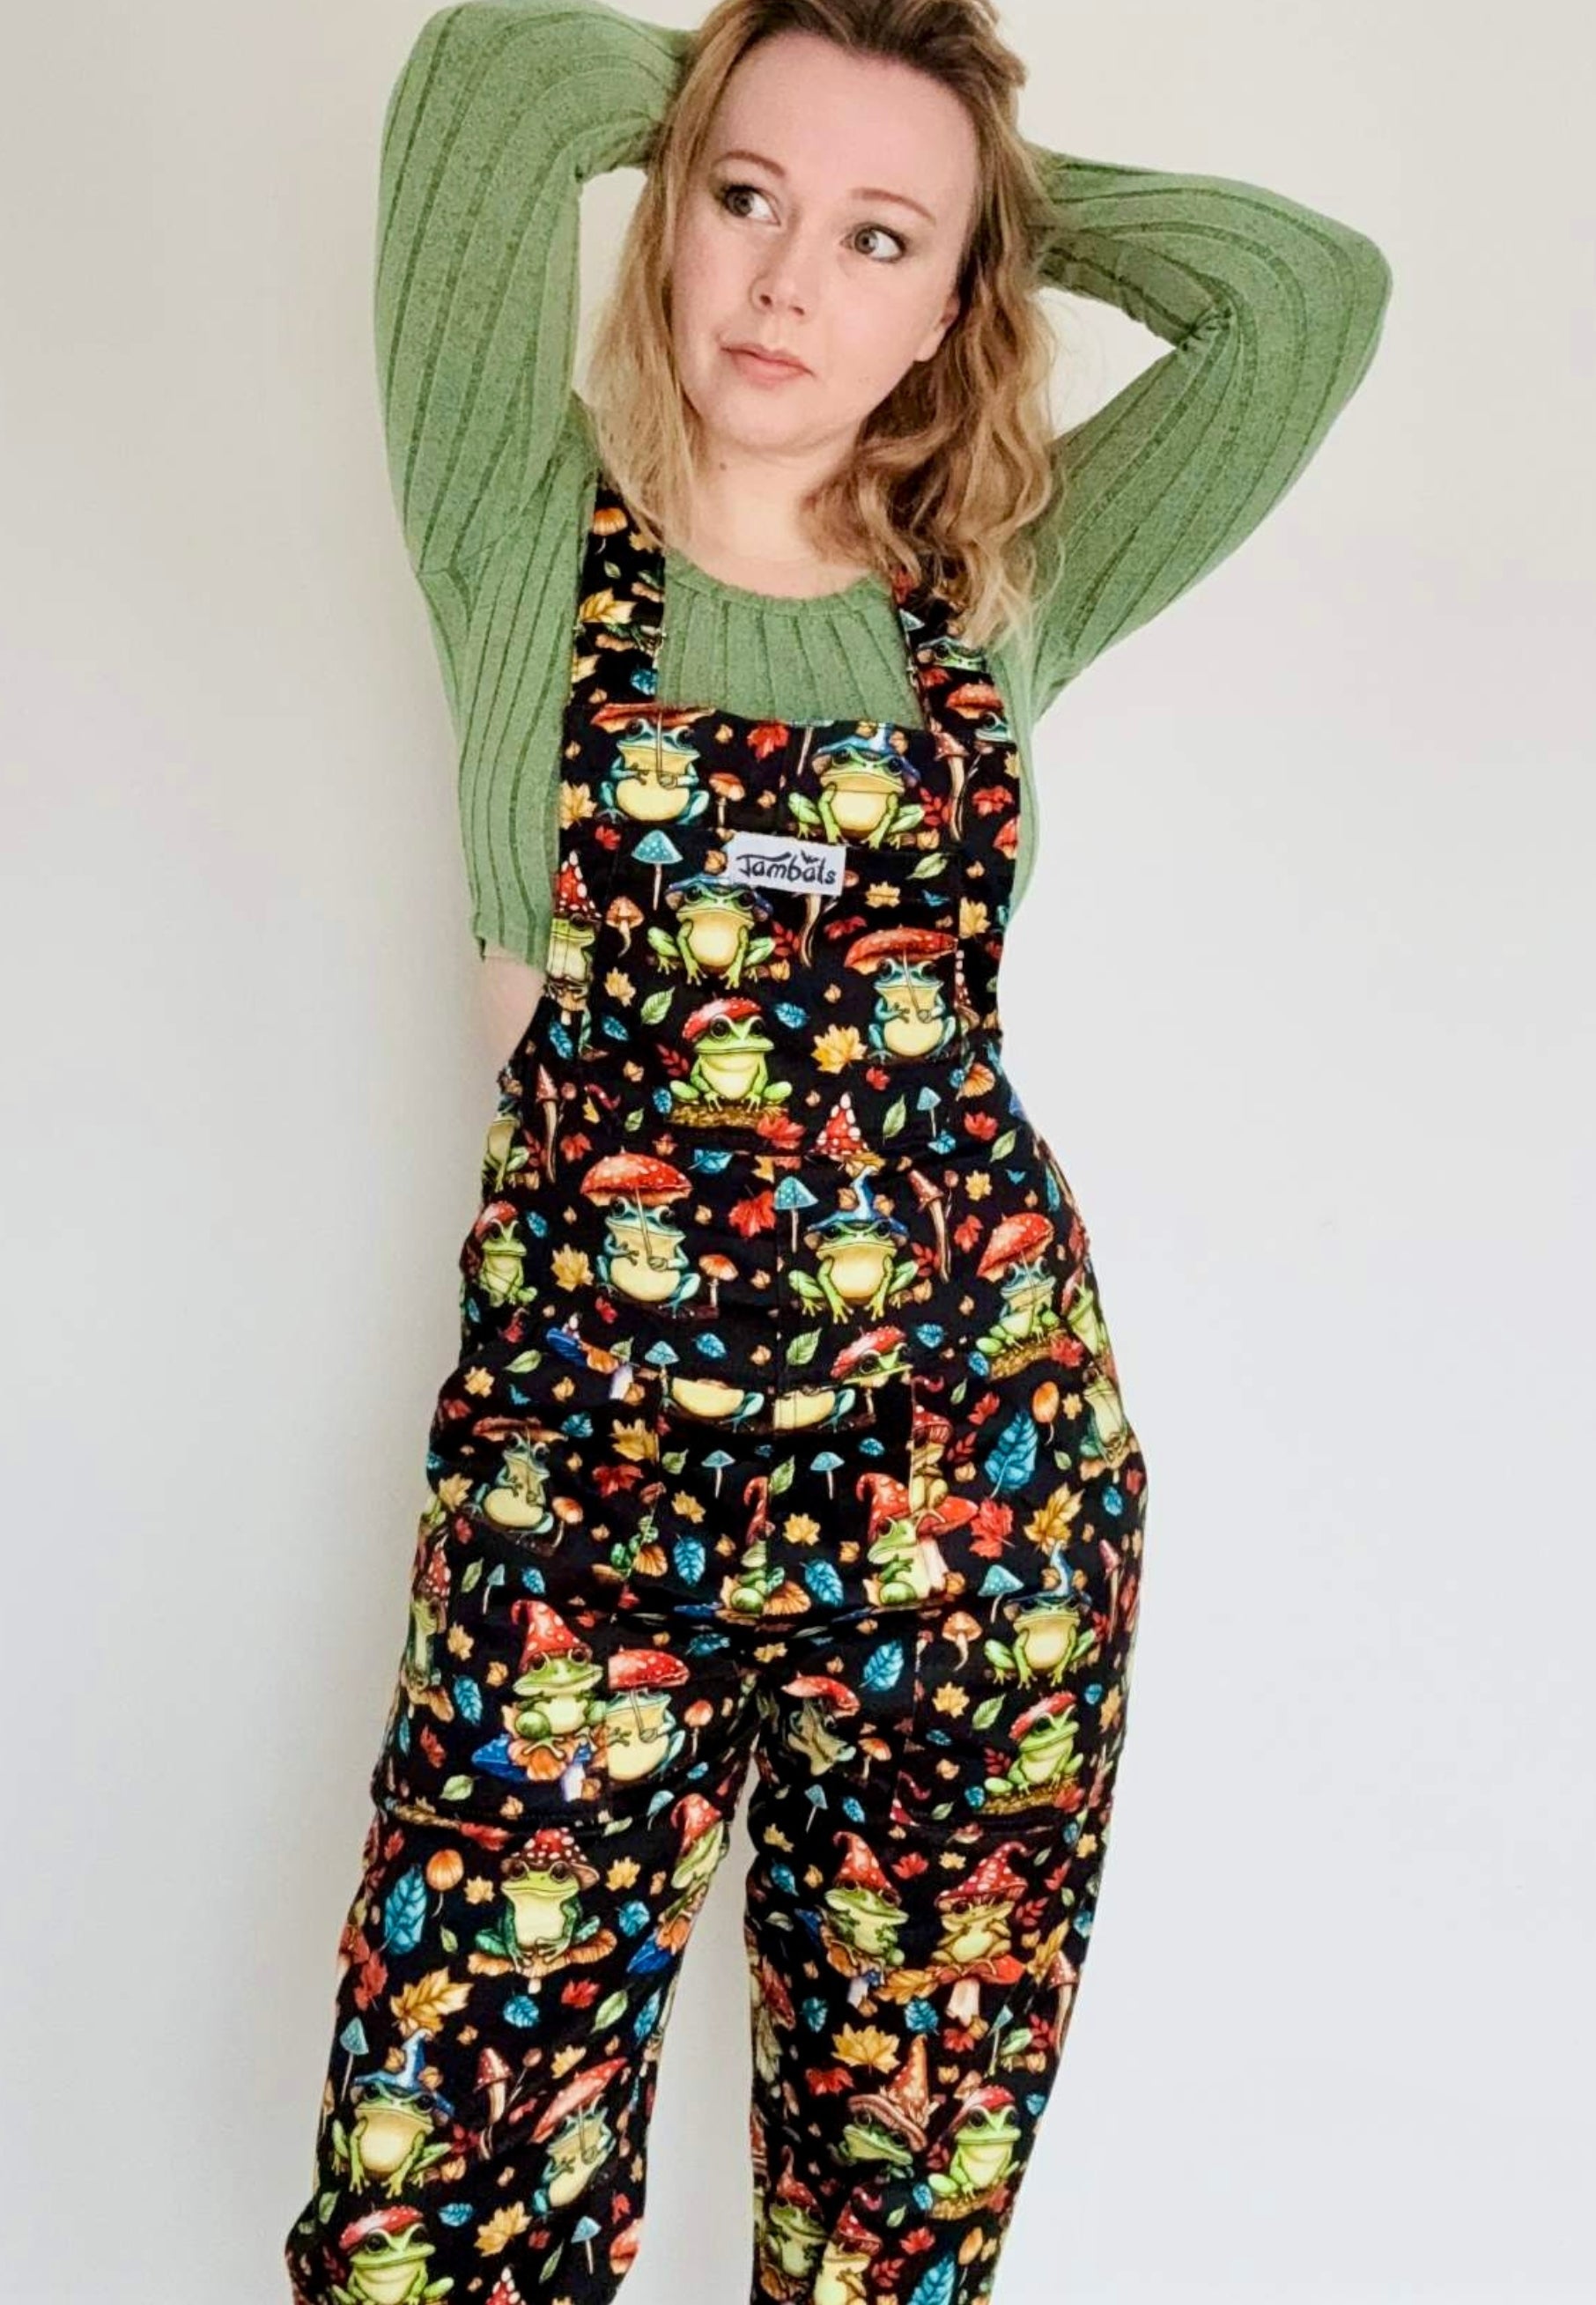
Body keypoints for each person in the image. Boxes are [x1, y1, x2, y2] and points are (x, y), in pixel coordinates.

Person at [284, 4, 1392, 2300]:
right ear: (666, 199)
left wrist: (983, 199)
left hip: (971, 1511)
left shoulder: (993, 596)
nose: (788, 285)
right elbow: (493, 76)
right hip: (583, 1518)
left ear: (954, 300)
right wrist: (826, 141)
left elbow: (1303, 298)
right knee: (438, 2211)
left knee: (894, 2217)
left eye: (875, 244)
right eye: (740, 198)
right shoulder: (520, 540)